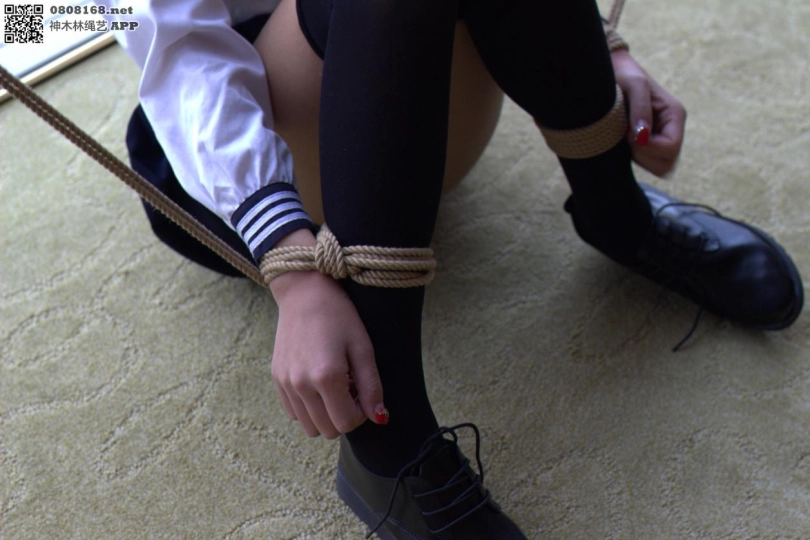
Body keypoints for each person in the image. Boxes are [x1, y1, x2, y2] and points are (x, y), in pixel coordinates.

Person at [101, 0, 804, 536]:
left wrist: (598, 55)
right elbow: (179, 54)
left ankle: (616, 210)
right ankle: (387, 438)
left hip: (428, 92)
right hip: (266, 157)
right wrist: (292, 267)